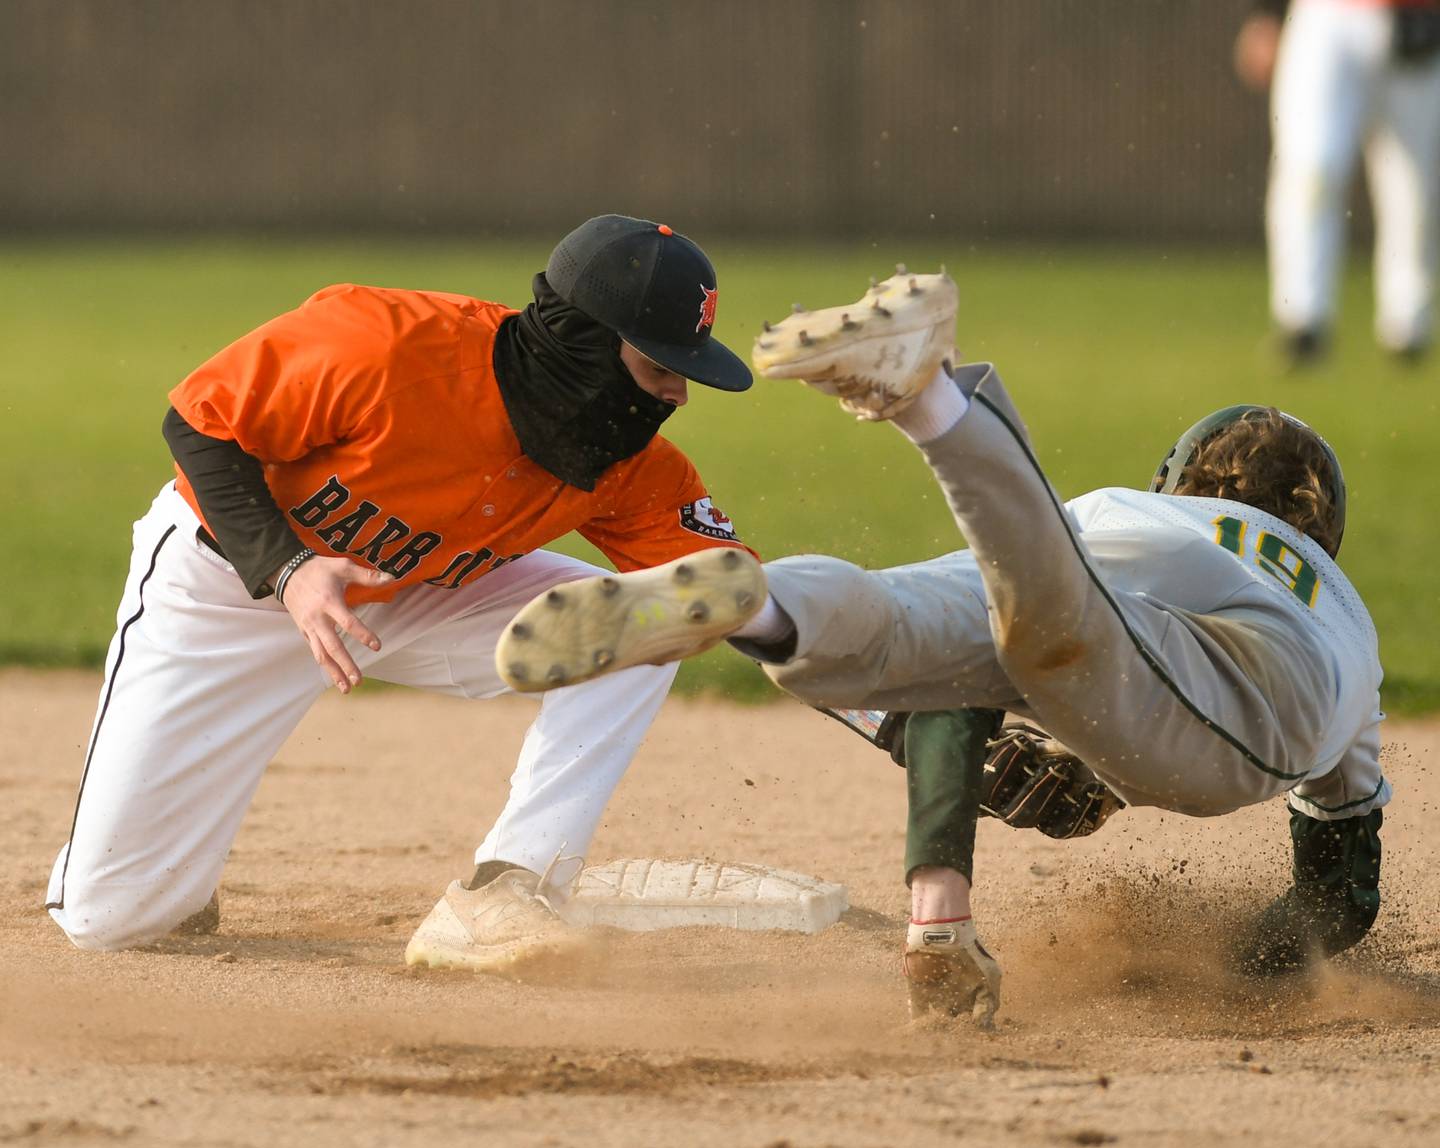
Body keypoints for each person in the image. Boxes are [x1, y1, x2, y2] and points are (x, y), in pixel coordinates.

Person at [500, 269, 1388, 1027]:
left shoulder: (1136, 507)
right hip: (1273, 687)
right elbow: (1338, 901)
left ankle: (766, 603)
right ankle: (929, 402)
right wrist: (1230, 974)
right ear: (1323, 533)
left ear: (1180, 475)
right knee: (1036, 628)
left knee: (908, 620)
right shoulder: (1339, 610)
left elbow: (948, 667)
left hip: (1101, 563)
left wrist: (934, 741)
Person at [45, 214, 757, 974]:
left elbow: (732, 595)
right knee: (112, 919)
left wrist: (885, 708)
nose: (677, 395)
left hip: (415, 598)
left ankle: (509, 888)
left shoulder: (628, 463)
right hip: (225, 588)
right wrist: (288, 569)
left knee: (651, 618)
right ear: (588, 343)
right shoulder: (385, 344)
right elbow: (199, 424)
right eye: (659, 369)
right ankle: (158, 871)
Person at [1235, 0, 1440, 363]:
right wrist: (1265, 14)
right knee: (1311, 165)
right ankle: (1302, 319)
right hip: (1326, 19)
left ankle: (1408, 324)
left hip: (1419, 20)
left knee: (1418, 190)